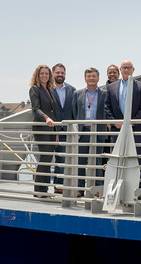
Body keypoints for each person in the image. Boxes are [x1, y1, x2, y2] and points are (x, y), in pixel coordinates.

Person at [105, 60, 141, 188]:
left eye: (129, 68)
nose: (126, 70)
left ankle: (139, 189)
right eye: (124, 67)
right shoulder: (111, 87)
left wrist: (130, 123)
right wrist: (114, 121)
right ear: (120, 69)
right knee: (116, 158)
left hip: (135, 129)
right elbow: (107, 107)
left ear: (133, 70)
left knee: (137, 159)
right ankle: (114, 187)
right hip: (116, 129)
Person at [72, 68, 112, 194]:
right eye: (88, 76)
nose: (91, 78)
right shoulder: (77, 94)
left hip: (99, 132)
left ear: (98, 78)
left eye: (93, 76)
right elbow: (74, 112)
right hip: (83, 131)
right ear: (85, 78)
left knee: (98, 161)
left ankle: (98, 189)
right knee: (81, 161)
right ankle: (79, 189)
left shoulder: (105, 94)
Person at [29, 65, 59, 197]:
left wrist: (56, 132)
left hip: (51, 128)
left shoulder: (50, 89)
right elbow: (36, 108)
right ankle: (38, 190)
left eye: (47, 73)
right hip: (41, 126)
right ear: (37, 75)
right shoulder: (34, 89)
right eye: (42, 73)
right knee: (45, 156)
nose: (44, 76)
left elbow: (54, 112)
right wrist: (46, 118)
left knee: (49, 157)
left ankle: (44, 190)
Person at [51, 63, 76, 193]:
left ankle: (59, 186)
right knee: (47, 158)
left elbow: (75, 111)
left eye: (62, 73)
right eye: (58, 72)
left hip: (67, 130)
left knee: (63, 158)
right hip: (51, 130)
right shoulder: (47, 89)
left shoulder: (72, 90)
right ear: (53, 73)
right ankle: (41, 187)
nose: (60, 75)